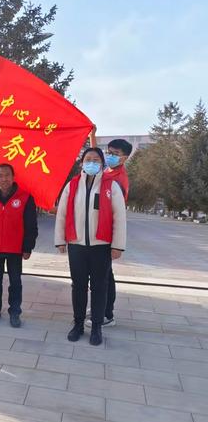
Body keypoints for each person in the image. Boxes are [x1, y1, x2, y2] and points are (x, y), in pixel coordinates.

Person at [54, 148, 126, 345]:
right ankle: (78, 324)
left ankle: (96, 326)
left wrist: (118, 245)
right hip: (77, 245)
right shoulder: (73, 185)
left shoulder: (111, 186)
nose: (91, 162)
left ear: (102, 164)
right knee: (78, 286)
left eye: (96, 159)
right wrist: (60, 239)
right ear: (82, 163)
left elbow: (119, 217)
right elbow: (62, 213)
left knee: (99, 287)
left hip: (101, 246)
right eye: (88, 159)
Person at [0, 164, 38, 328]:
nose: (4, 179)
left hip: (15, 248)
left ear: (13, 177)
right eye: (1, 176)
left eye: (7, 175)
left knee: (15, 282)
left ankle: (15, 311)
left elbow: (31, 225)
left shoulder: (25, 198)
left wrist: (28, 247)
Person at [88, 134, 132, 327]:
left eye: (115, 154)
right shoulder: (108, 169)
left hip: (106, 234)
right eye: (109, 152)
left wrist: (116, 245)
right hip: (96, 232)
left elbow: (117, 214)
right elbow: (94, 156)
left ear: (124, 158)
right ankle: (101, 308)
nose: (109, 156)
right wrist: (92, 136)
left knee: (105, 276)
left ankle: (106, 314)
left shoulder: (119, 180)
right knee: (101, 273)